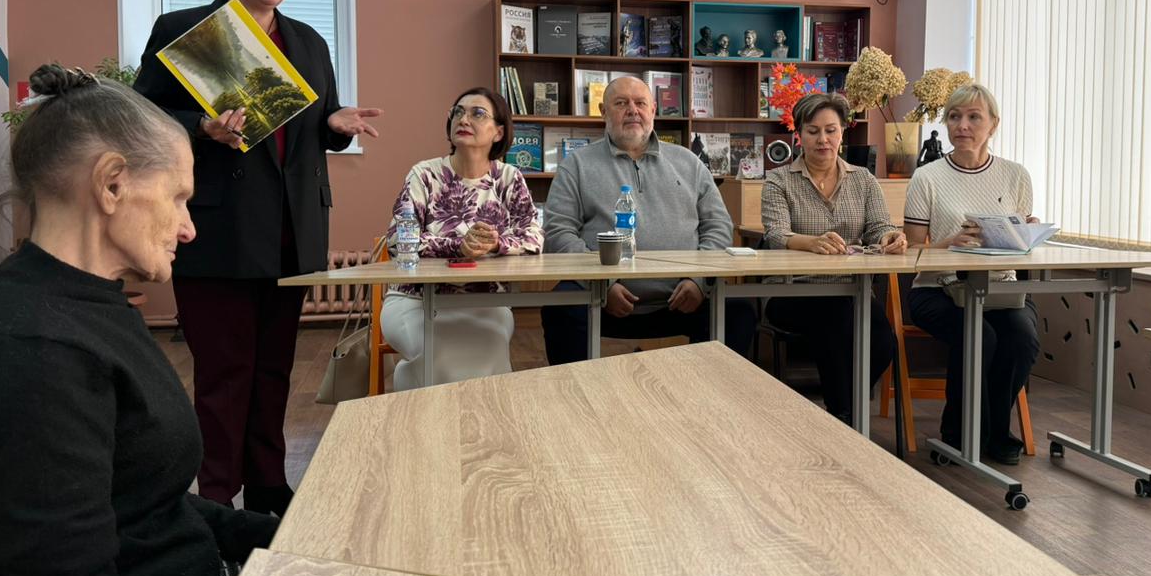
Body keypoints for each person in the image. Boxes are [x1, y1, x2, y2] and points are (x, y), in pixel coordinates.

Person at [0, 65, 278, 576]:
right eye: (178, 197)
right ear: (112, 184)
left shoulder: (89, 305)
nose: (189, 227)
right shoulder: (38, 349)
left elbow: (147, 500)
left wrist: (289, 539)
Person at [134, 0, 382, 515]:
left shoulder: (309, 41)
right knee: (224, 374)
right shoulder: (187, 29)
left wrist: (335, 125)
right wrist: (202, 127)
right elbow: (142, 117)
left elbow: (313, 128)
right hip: (220, 229)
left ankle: (268, 483)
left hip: (292, 229)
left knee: (274, 369)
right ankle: (218, 496)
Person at [542, 74, 756, 364]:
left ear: (653, 110)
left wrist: (699, 280)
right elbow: (559, 232)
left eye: (640, 103)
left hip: (684, 297)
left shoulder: (689, 162)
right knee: (560, 307)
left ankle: (706, 391)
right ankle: (575, 392)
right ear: (604, 112)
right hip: (599, 297)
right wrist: (603, 284)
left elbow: (718, 225)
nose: (633, 110)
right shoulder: (576, 165)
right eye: (621, 103)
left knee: (738, 310)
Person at [903, 82, 1040, 465]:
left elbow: (1021, 244)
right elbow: (911, 251)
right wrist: (950, 243)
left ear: (993, 124)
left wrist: (1027, 233)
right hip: (937, 289)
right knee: (980, 335)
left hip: (1002, 289)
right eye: (954, 117)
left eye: (973, 117)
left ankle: (993, 432)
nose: (962, 125)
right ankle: (961, 434)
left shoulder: (1016, 175)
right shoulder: (927, 177)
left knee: (1022, 337)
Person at [380, 87, 543, 389]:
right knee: (437, 350)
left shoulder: (509, 178)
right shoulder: (424, 174)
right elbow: (396, 240)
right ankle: (417, 415)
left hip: (486, 301)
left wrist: (496, 243)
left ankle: (482, 419)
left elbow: (534, 237)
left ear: (498, 132)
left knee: (490, 344)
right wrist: (459, 246)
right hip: (414, 300)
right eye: (458, 112)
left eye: (477, 113)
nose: (464, 119)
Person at [761, 92, 906, 425]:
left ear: (843, 133)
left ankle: (842, 415)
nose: (822, 139)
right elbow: (776, 234)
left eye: (830, 130)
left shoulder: (863, 180)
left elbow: (879, 227)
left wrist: (890, 237)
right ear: (799, 134)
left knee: (882, 342)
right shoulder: (779, 180)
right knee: (836, 322)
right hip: (791, 291)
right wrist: (811, 243)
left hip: (852, 291)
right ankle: (844, 417)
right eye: (813, 131)